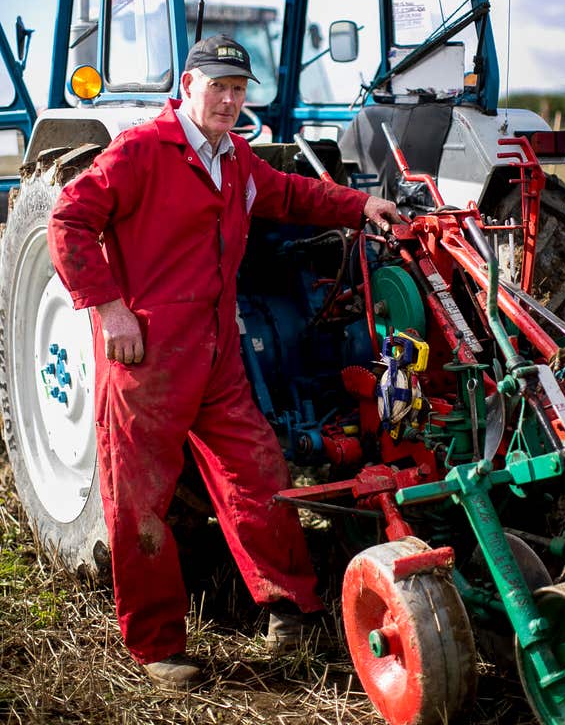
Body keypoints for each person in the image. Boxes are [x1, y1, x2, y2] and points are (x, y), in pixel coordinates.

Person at [47, 34, 401, 687]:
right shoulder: (142, 152)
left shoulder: (233, 157)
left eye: (238, 91)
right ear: (188, 85)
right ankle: (157, 646)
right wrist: (108, 307)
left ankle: (289, 610)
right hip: (150, 363)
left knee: (260, 476)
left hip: (218, 357)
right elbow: (68, 221)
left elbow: (292, 196)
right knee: (141, 504)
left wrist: (358, 206)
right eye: (218, 87)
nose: (230, 101)